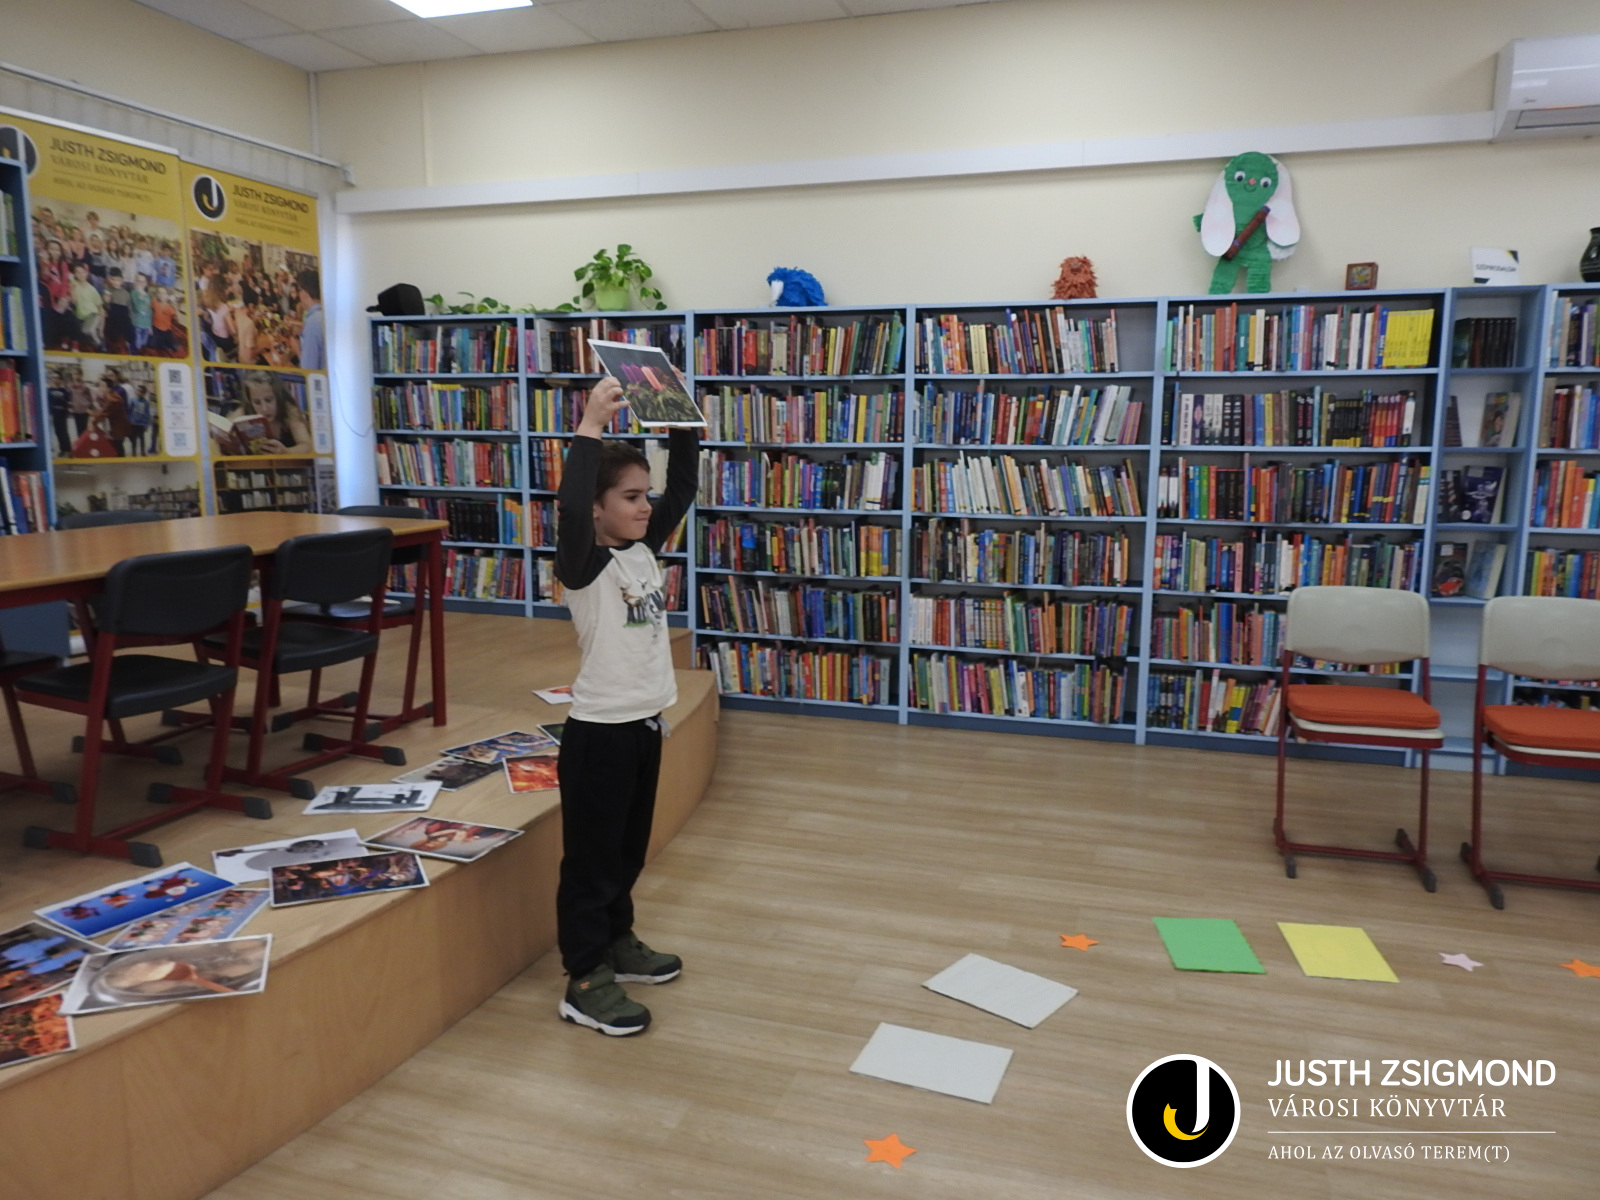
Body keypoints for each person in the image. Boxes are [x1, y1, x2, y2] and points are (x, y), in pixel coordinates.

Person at [552, 376, 698, 1037]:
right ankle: (584, 977)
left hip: (643, 726)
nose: (646, 507)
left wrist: (682, 422)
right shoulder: (583, 565)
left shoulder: (641, 549)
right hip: (599, 736)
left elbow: (683, 490)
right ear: (595, 507)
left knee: (626, 853)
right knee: (590, 863)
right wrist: (589, 426)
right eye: (631, 498)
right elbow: (568, 507)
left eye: (646, 496)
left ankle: (617, 939)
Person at [235, 370, 312, 455]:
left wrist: (286, 452)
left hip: (289, 462)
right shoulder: (244, 412)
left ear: (278, 397)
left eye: (268, 400)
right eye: (257, 402)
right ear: (250, 402)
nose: (264, 409)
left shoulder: (289, 410)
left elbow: (307, 446)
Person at [69, 263, 103, 351]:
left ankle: (101, 346)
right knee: (84, 331)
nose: (81, 274)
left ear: (86, 273)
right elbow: (74, 301)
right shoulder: (74, 285)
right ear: (75, 275)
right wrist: (72, 289)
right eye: (78, 272)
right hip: (81, 316)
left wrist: (102, 316)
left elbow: (99, 304)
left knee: (90, 330)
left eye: (82, 272)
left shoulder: (92, 288)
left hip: (93, 314)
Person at [296, 268, 324, 370]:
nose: (299, 295)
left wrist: (296, 348)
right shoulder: (323, 314)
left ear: (305, 292)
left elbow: (308, 368)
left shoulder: (313, 322)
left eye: (299, 290)